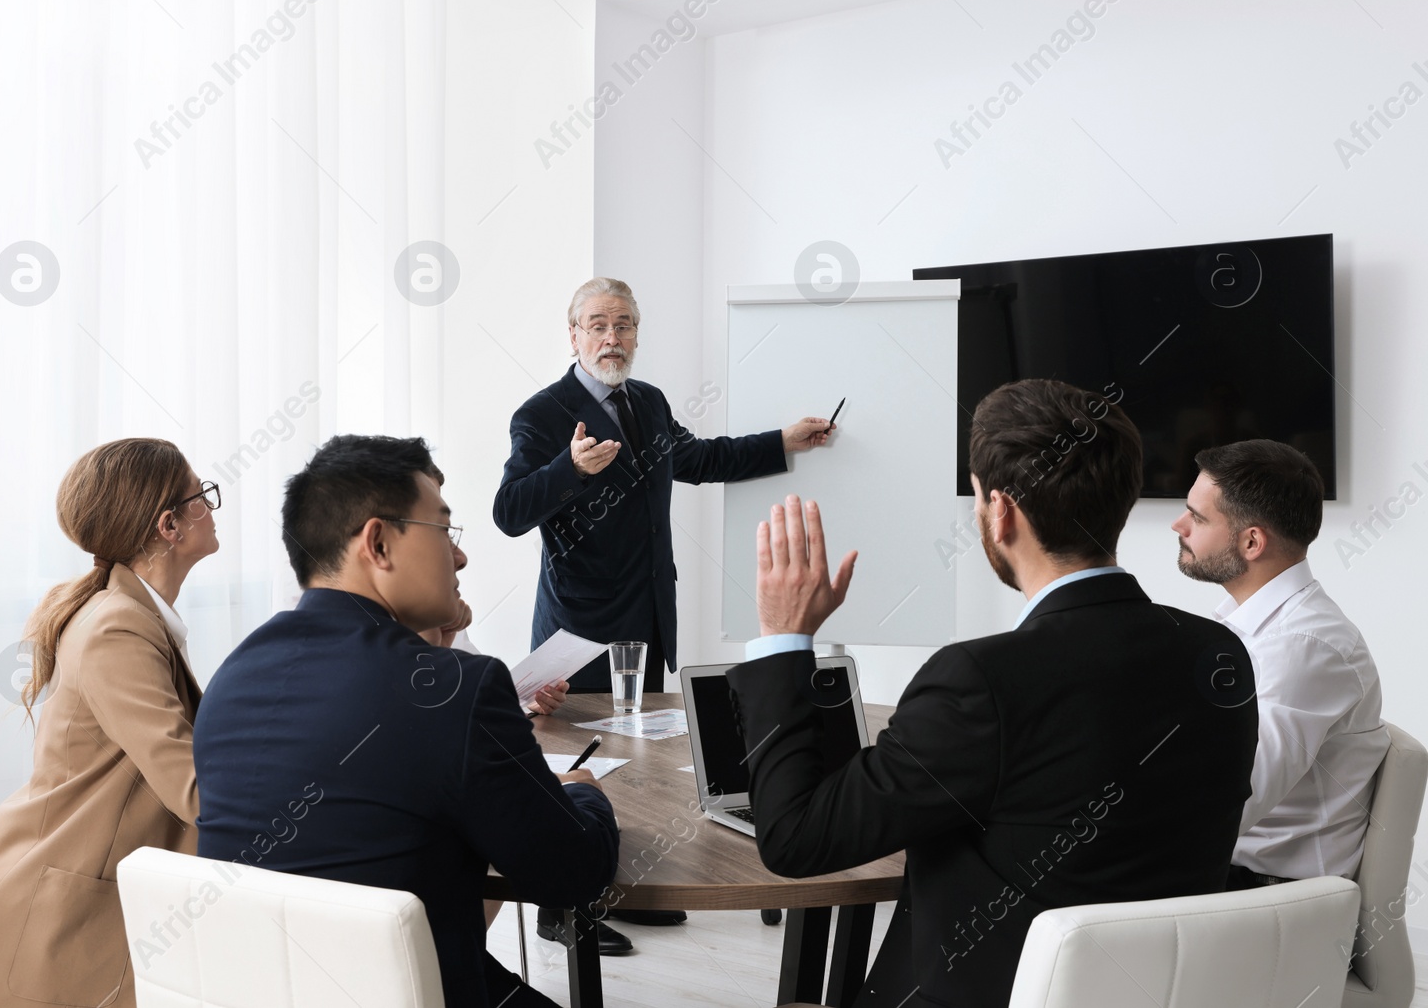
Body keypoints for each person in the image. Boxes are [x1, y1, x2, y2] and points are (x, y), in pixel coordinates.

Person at [725, 379, 1260, 1008]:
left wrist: (784, 638)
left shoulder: (980, 680)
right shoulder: (1219, 654)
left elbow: (795, 839)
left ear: (1000, 511)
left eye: (978, 499)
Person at [193, 435, 618, 1008]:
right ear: (379, 543)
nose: (460, 556)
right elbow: (572, 874)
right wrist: (585, 796)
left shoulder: (231, 678)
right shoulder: (458, 687)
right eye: (445, 531)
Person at [493, 276, 831, 945]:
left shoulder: (647, 402)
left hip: (648, 620)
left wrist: (783, 442)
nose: (611, 336)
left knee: (635, 766)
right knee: (580, 763)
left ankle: (621, 887)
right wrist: (569, 469)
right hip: (577, 631)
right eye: (597, 324)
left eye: (623, 323)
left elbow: (700, 458)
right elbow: (509, 512)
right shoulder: (541, 414)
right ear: (574, 335)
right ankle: (566, 910)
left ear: (638, 334)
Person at [0, 439, 218, 1008]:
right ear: (169, 525)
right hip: (54, 932)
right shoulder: (117, 628)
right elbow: (195, 793)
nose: (212, 509)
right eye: (203, 496)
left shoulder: (129, 612)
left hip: (61, 888)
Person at [1173, 439, 1387, 888]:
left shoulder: (1304, 647)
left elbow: (1233, 800)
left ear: (1252, 541)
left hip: (1268, 894)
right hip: (1234, 871)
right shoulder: (1245, 624)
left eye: (1196, 516)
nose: (1179, 525)